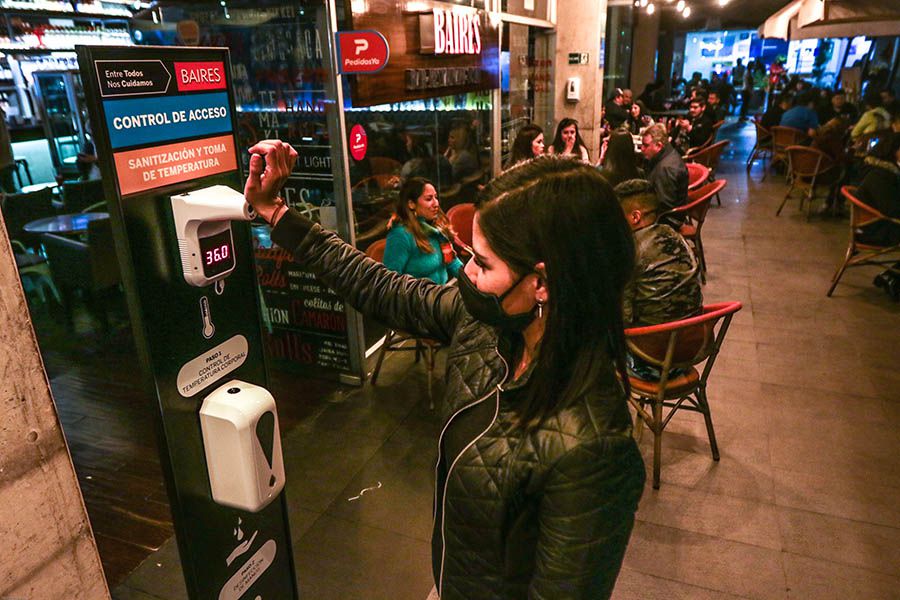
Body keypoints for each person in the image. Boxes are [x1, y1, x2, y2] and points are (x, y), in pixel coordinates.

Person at [245, 143, 646, 598]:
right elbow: (381, 288)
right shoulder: (486, 322)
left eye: (485, 263)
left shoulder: (593, 446)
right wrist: (277, 214)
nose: (468, 273)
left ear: (543, 283)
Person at [614, 178, 702, 378]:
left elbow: (622, 319)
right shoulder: (676, 237)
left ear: (635, 217)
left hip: (651, 361)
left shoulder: (628, 252)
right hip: (693, 347)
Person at [383, 177, 462, 284]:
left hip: (441, 294)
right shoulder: (400, 235)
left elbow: (452, 263)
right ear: (411, 204)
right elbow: (389, 283)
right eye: (429, 199)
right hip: (417, 299)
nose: (436, 204)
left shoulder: (437, 228)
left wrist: (472, 281)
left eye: (436, 197)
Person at [856, 133, 900, 300]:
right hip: (874, 231)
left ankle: (891, 276)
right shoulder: (881, 175)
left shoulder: (877, 169)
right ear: (893, 150)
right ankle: (893, 277)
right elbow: (893, 209)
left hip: (873, 225)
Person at [641, 123, 689, 226]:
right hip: (669, 213)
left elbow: (663, 205)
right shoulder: (667, 153)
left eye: (646, 145)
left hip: (668, 220)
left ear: (658, 145)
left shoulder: (665, 169)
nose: (642, 149)